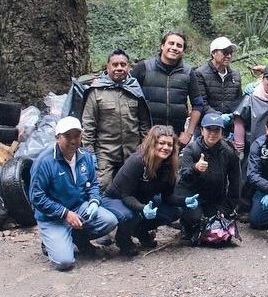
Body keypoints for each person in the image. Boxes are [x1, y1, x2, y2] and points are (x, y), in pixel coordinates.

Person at [29, 117, 118, 271]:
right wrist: (65, 213)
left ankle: (77, 237)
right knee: (64, 262)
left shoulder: (85, 157)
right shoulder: (45, 162)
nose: (73, 140)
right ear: (57, 137)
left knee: (109, 221)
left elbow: (93, 184)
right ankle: (50, 241)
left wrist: (94, 201)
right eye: (67, 136)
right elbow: (36, 197)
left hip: (78, 208)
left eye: (77, 136)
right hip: (53, 217)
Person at [102, 125, 197, 256]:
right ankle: (123, 239)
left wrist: (185, 201)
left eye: (169, 145)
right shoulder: (137, 161)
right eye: (161, 143)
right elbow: (126, 195)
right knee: (130, 214)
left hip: (142, 200)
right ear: (153, 143)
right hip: (116, 199)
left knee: (174, 212)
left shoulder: (169, 166)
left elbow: (168, 197)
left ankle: (140, 231)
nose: (166, 147)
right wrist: (142, 208)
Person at [81, 49, 151, 190]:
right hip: (105, 152)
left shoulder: (135, 89)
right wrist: (89, 154)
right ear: (108, 67)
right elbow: (88, 125)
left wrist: (144, 147)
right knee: (102, 186)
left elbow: (144, 123)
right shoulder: (96, 91)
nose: (119, 68)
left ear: (128, 67)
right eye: (115, 64)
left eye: (123, 65)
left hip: (132, 150)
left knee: (134, 188)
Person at [176, 112, 242, 245]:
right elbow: (183, 178)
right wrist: (195, 168)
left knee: (218, 227)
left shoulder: (229, 152)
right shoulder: (191, 150)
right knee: (194, 219)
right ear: (202, 131)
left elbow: (236, 182)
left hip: (215, 198)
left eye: (216, 130)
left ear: (221, 132)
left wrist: (227, 208)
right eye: (209, 129)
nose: (213, 133)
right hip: (192, 196)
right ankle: (185, 224)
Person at [131, 30, 199, 146]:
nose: (174, 48)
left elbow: (198, 104)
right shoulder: (144, 68)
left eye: (179, 45)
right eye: (171, 43)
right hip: (146, 136)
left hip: (174, 138)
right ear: (162, 46)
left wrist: (188, 134)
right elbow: (127, 95)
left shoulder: (188, 73)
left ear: (183, 51)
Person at [190, 36, 243, 137]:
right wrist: (218, 117)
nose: (229, 56)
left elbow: (238, 101)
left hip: (228, 128)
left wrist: (233, 118)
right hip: (206, 127)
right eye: (225, 52)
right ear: (213, 53)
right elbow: (201, 102)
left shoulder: (235, 75)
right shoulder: (200, 74)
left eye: (230, 53)